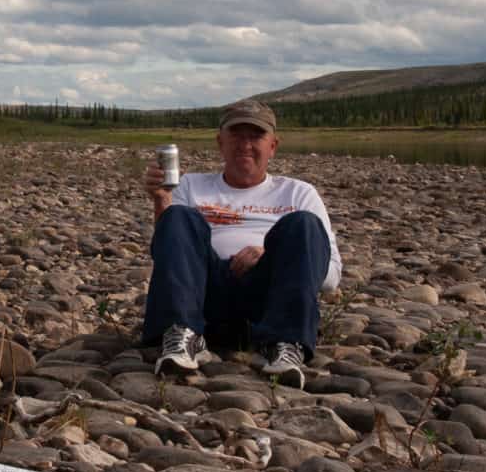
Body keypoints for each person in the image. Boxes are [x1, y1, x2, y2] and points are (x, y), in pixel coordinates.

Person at [141, 99, 341, 388]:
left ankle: (285, 345)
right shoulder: (190, 185)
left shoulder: (299, 193)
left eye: (256, 135)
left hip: (270, 298)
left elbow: (331, 276)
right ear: (220, 142)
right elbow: (169, 255)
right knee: (178, 215)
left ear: (273, 145)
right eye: (236, 134)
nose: (245, 144)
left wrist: (273, 254)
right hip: (205, 298)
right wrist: (161, 199)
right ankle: (183, 336)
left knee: (305, 224)